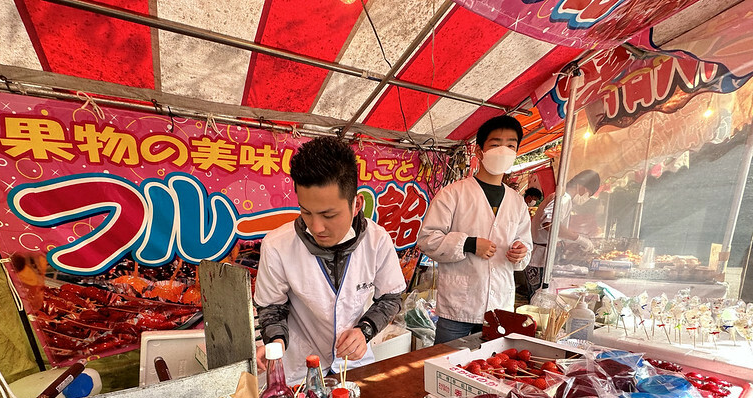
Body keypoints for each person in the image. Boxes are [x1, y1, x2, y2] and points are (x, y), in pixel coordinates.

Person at [253, 137, 406, 383]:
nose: (316, 226)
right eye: (306, 212)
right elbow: (272, 307)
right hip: (301, 370)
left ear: (357, 204)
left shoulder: (377, 240)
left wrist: (365, 330)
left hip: (354, 365)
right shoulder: (277, 245)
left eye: (329, 215)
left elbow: (391, 297)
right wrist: (276, 342)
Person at [418, 115, 533, 344]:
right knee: (446, 371)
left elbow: (525, 245)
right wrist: (469, 244)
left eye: (511, 145)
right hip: (458, 309)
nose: (503, 150)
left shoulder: (517, 202)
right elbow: (427, 239)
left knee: (490, 371)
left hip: (499, 309)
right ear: (479, 152)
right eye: (495, 144)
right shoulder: (453, 194)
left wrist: (521, 252)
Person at [526, 169, 601, 296]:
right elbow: (548, 224)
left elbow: (555, 226)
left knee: (537, 299)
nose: (586, 198)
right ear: (582, 187)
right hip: (539, 258)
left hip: (541, 255)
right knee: (538, 300)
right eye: (588, 194)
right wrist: (578, 239)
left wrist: (569, 239)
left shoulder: (562, 197)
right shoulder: (563, 198)